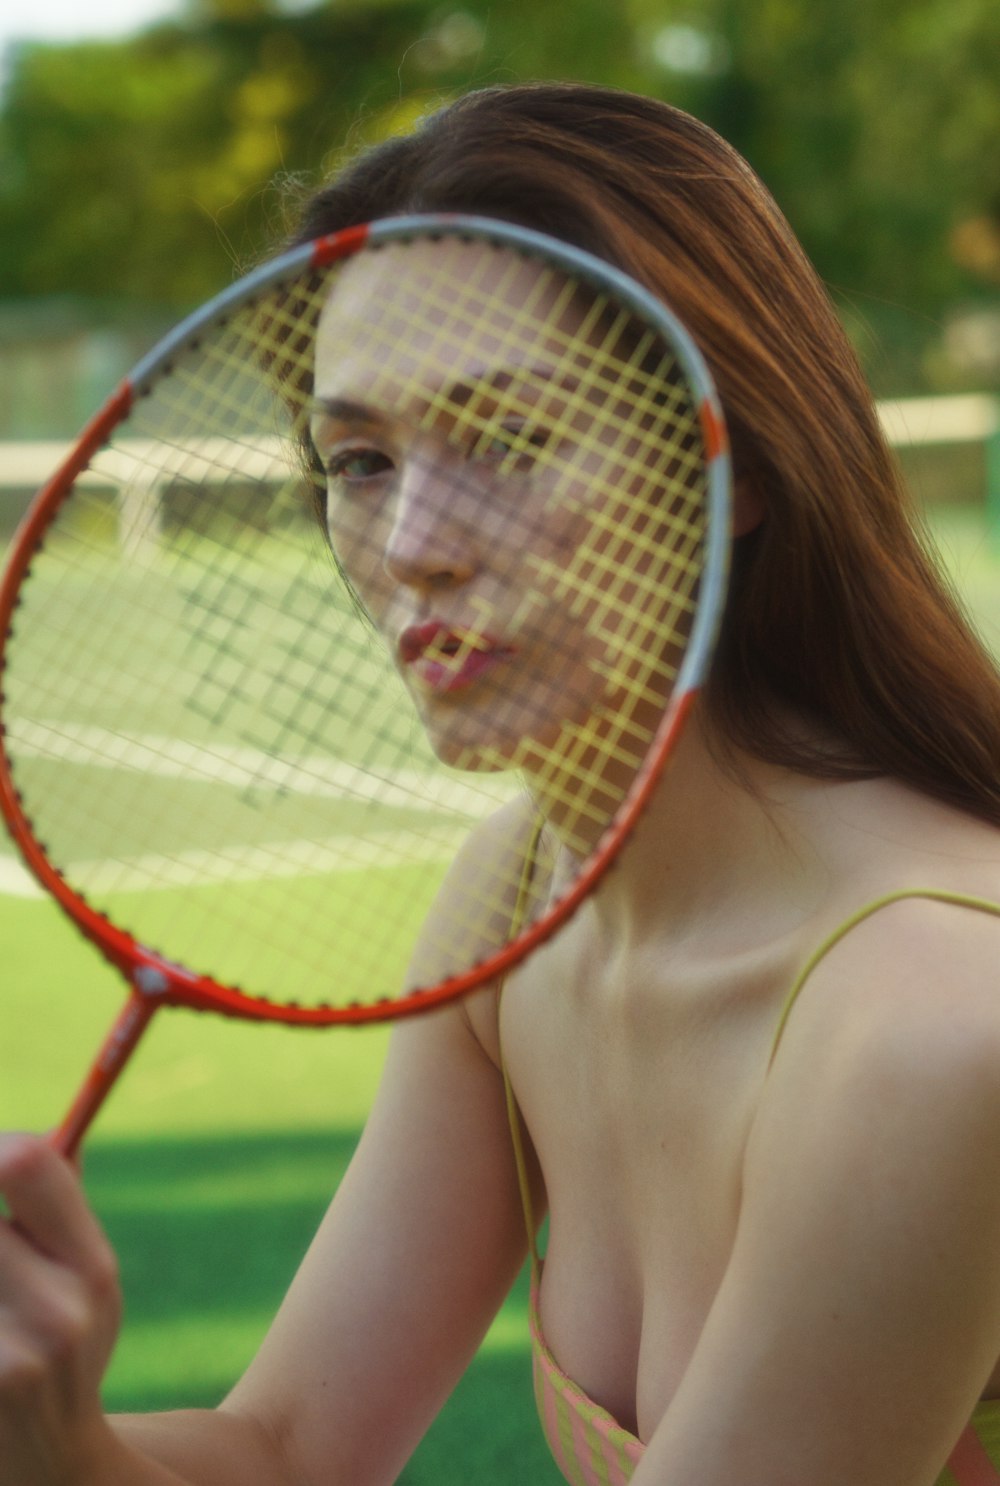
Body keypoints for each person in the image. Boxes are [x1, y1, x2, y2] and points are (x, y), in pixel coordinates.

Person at [4, 80, 1000, 1486]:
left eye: (511, 438)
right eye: (358, 458)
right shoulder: (517, 900)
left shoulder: (931, 1020)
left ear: (739, 466)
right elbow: (288, 1446)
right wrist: (53, 1446)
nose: (412, 540)